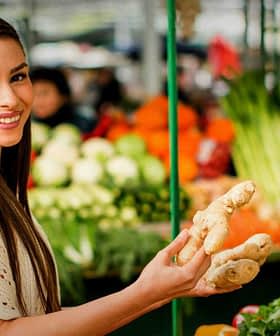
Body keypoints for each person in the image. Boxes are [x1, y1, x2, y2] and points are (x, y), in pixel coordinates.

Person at [0, 18, 238, 335]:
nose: (11, 99)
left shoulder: (10, 192)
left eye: (18, 77)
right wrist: (143, 294)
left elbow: (37, 315)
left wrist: (154, 292)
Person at [30, 66, 94, 132]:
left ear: (63, 95)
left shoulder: (84, 124)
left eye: (44, 93)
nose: (37, 100)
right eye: (33, 94)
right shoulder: (28, 127)